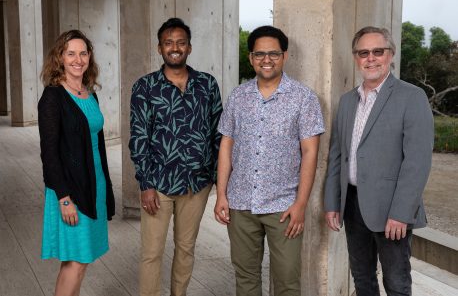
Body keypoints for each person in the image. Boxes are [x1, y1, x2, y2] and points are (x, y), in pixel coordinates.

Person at [214, 25, 324, 296]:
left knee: (287, 281)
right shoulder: (238, 96)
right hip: (241, 203)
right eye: (259, 54)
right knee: (246, 277)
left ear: (284, 56)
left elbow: (311, 153)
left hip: (283, 206)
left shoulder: (304, 98)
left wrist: (300, 204)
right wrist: (221, 195)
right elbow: (226, 145)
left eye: (273, 53)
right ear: (251, 58)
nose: (267, 59)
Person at [324, 26, 434, 296]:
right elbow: (337, 154)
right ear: (355, 57)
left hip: (391, 211)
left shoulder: (412, 97)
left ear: (391, 54)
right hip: (352, 205)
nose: (370, 58)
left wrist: (401, 213)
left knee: (396, 283)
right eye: (364, 52)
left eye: (378, 51)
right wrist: (332, 203)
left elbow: (417, 162)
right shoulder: (348, 101)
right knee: (361, 278)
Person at [129, 17, 222, 296]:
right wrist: (145, 184)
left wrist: (220, 179)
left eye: (181, 42)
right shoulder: (145, 87)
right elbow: (138, 137)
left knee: (185, 249)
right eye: (168, 43)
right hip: (158, 184)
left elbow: (219, 133)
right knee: (152, 252)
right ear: (160, 48)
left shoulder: (207, 84)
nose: (175, 48)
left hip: (197, 184)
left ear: (189, 48)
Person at [38, 29, 115, 296]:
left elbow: (97, 145)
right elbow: (49, 154)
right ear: (60, 57)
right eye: (70, 53)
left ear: (89, 56)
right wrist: (64, 198)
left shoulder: (89, 93)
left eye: (83, 53)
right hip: (70, 190)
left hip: (94, 185)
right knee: (76, 260)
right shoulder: (53, 97)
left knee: (81, 260)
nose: (77, 59)